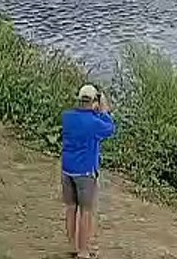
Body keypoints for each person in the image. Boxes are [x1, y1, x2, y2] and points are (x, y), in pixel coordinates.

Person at [61, 84, 116, 259]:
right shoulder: (95, 123)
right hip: (85, 172)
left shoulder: (67, 117)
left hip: (67, 170)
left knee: (71, 208)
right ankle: (84, 251)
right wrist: (104, 110)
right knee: (86, 212)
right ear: (94, 102)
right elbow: (110, 129)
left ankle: (72, 246)